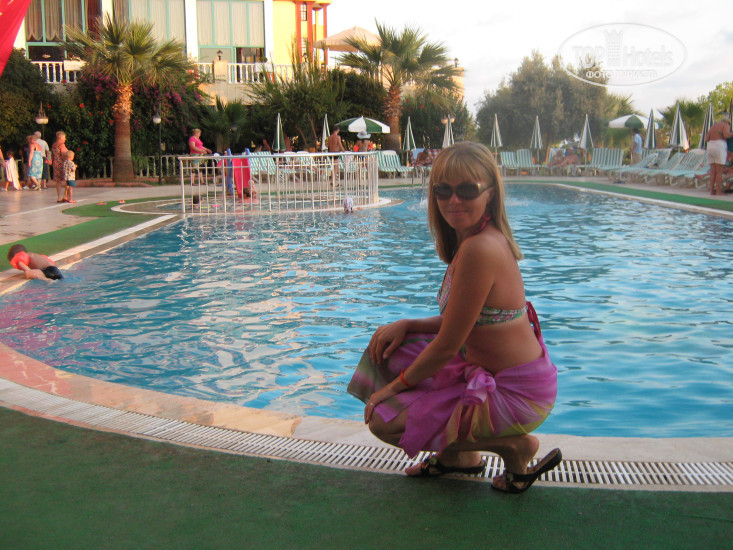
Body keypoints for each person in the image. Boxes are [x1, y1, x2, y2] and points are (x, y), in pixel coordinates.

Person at [348, 142, 561, 494]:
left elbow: (448, 345)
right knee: (388, 350)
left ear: (490, 194)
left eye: (467, 190)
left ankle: (511, 446)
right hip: (493, 373)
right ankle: (460, 457)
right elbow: (467, 322)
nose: (453, 200)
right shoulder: (473, 241)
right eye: (443, 190)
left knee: (385, 420)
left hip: (517, 396)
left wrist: (393, 388)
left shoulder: (480, 249)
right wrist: (407, 325)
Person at [705, 112, 733, 196]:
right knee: (719, 172)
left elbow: (706, 139)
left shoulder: (713, 126)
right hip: (719, 146)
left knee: (713, 171)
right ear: (728, 122)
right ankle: (718, 192)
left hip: (710, 146)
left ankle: (711, 191)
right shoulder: (725, 125)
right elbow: (726, 135)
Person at [52, 131, 68, 203]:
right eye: (64, 137)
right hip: (62, 164)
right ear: (61, 137)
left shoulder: (54, 145)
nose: (65, 139)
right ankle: (65, 195)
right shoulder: (62, 145)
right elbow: (64, 155)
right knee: (67, 180)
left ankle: (59, 197)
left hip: (55, 164)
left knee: (58, 181)